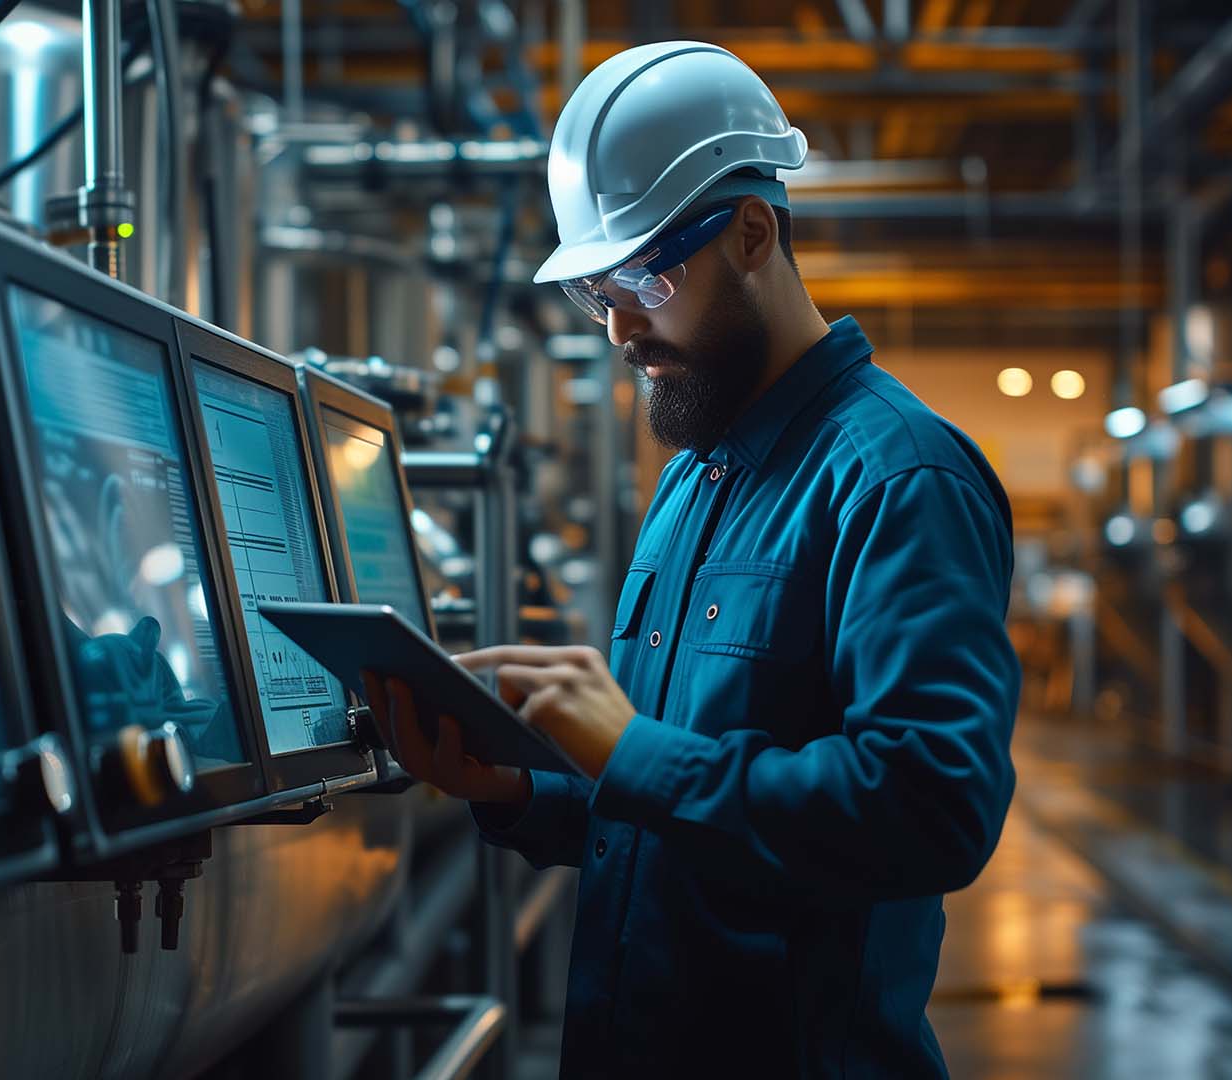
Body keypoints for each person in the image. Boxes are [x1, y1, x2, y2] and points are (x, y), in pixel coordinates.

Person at [361, 41, 1020, 1077]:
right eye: (596, 291)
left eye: (644, 277)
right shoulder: (691, 485)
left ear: (753, 232)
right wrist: (517, 790)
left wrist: (629, 754)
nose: (619, 326)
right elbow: (671, 811)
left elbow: (932, 806)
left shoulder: (898, 478)